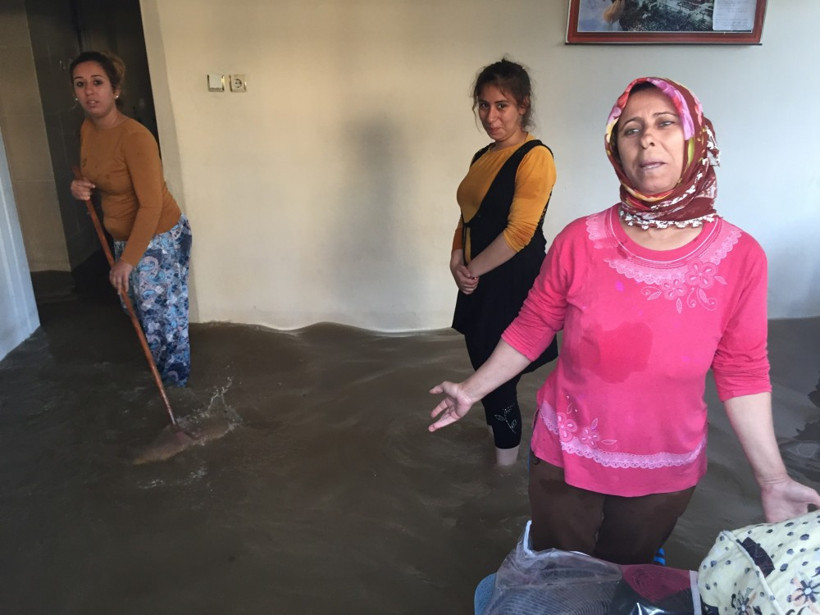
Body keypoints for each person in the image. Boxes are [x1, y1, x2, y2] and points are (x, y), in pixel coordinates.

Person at [430, 76, 820, 564]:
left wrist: (773, 478)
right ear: (616, 149)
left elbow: (741, 371)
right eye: (630, 129)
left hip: (665, 469)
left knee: (627, 576)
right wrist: (470, 390)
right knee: (558, 574)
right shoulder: (580, 240)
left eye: (665, 123)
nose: (647, 139)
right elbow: (532, 328)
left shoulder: (739, 257)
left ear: (695, 137)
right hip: (564, 459)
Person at [449, 59, 558, 466]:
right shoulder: (483, 154)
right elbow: (467, 214)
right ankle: (499, 444)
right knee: (481, 361)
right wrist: (456, 258)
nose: (490, 117)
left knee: (498, 381)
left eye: (502, 106)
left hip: (512, 280)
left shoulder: (536, 157)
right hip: (476, 278)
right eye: (483, 105)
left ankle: (503, 479)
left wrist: (470, 271)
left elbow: (519, 233)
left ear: (523, 106)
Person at [69, 51, 192, 386]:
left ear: (115, 89)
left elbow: (150, 206)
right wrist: (80, 187)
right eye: (81, 85)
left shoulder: (135, 137)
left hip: (161, 237)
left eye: (97, 83)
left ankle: (177, 397)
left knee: (162, 322)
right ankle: (165, 384)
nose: (89, 92)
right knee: (138, 314)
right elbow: (94, 176)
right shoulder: (88, 129)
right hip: (125, 236)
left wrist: (127, 260)